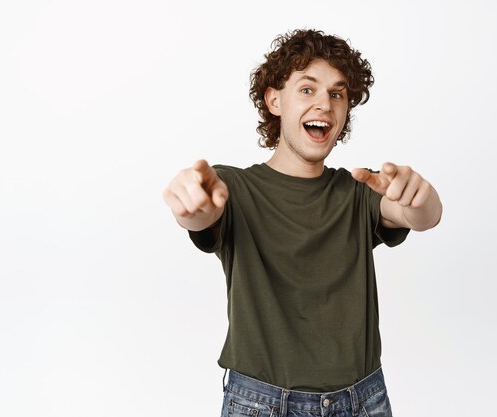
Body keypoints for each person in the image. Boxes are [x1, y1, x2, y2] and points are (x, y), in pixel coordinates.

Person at [163, 29, 442, 417]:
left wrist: (421, 198)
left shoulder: (359, 191)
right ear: (274, 100)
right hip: (260, 404)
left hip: (362, 401)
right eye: (308, 90)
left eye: (337, 94)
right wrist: (191, 205)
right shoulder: (235, 188)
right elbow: (203, 212)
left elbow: (419, 214)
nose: (324, 105)